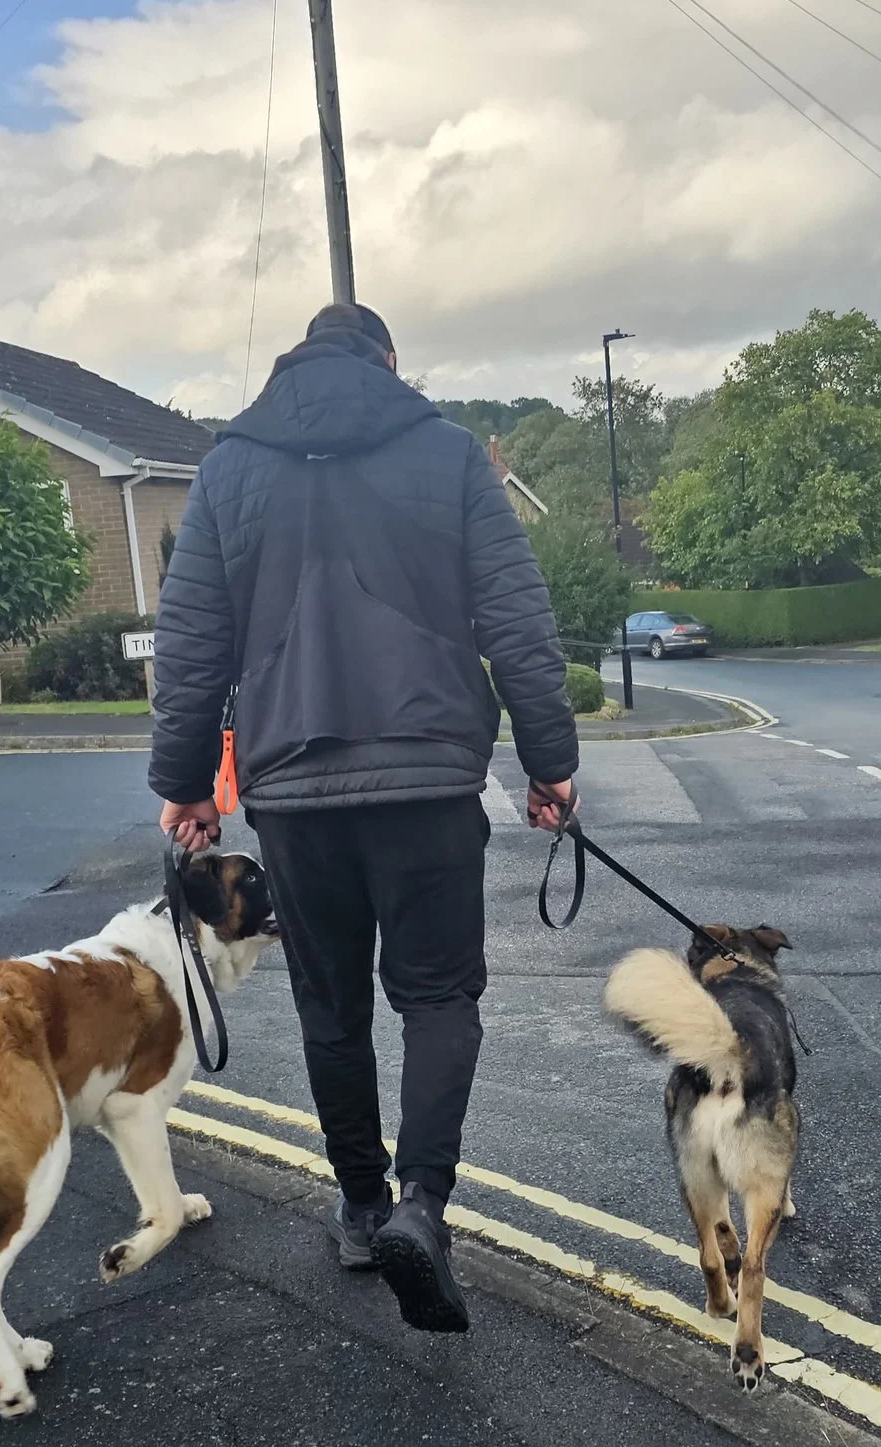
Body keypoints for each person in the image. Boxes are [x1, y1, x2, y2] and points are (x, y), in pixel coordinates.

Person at [148, 302, 579, 1334]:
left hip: (293, 790)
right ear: (388, 361)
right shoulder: (447, 453)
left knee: (330, 1006)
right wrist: (550, 763)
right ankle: (422, 1205)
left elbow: (191, 641)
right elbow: (517, 618)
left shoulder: (228, 467)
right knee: (437, 996)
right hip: (429, 779)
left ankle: (360, 1207)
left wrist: (187, 782)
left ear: (295, 358)